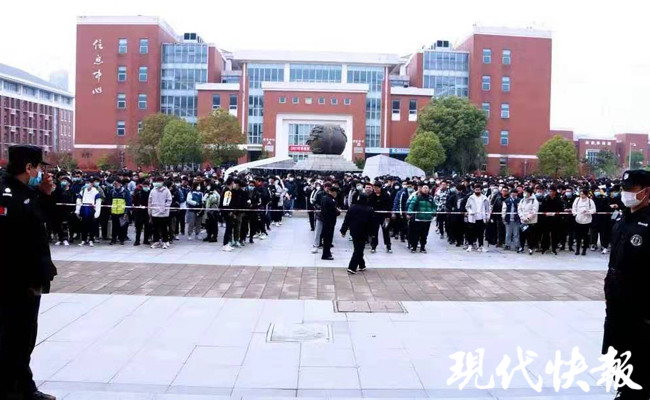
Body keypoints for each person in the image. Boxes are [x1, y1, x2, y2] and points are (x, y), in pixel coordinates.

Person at [0, 145, 58, 400]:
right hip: (16, 280)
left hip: (25, 278)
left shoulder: (25, 192)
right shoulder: (10, 195)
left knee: (22, 337)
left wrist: (45, 194)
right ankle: (17, 389)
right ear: (28, 168)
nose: (41, 173)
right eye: (39, 168)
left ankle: (21, 387)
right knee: (16, 336)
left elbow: (51, 219)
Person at [603, 169, 650, 400]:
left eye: (631, 189)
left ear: (646, 191)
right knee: (615, 351)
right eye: (624, 189)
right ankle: (623, 388)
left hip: (640, 304)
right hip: (616, 300)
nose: (626, 194)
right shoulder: (622, 219)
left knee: (639, 356)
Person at [340, 193, 374, 274]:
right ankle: (352, 267)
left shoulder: (352, 207)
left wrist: (343, 230)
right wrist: (372, 234)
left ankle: (362, 265)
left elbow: (347, 219)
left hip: (354, 231)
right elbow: (371, 223)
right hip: (364, 232)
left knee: (358, 248)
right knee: (358, 250)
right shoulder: (369, 209)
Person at [407, 182, 436, 253]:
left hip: (427, 220)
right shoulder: (417, 197)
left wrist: (433, 213)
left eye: (427, 188)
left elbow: (434, 206)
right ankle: (414, 247)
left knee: (424, 234)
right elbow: (411, 205)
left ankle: (423, 247)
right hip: (418, 219)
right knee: (416, 234)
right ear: (421, 189)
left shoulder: (431, 198)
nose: (425, 189)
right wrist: (409, 213)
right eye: (424, 188)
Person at [75, 177, 102, 247]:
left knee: (92, 226)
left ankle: (91, 240)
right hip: (84, 209)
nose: (87, 184)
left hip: (91, 209)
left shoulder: (96, 192)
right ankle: (83, 240)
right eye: (86, 183)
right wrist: (77, 210)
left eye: (88, 183)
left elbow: (98, 203)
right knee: (83, 226)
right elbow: (78, 200)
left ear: (92, 184)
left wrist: (97, 213)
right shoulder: (83, 191)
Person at [148, 176, 172, 249]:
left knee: (164, 228)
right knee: (155, 228)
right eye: (157, 181)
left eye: (159, 181)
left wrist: (164, 207)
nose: (158, 183)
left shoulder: (166, 191)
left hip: (164, 213)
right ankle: (156, 241)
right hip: (154, 212)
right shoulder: (153, 191)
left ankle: (165, 241)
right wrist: (150, 211)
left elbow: (169, 200)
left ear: (162, 182)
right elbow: (150, 201)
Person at [369, 181, 392, 253]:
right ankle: (373, 246)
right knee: (374, 232)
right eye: (374, 188)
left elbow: (389, 206)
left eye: (376, 188)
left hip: (384, 217)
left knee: (386, 231)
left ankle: (388, 246)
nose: (375, 189)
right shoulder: (372, 195)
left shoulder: (386, 195)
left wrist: (388, 216)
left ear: (380, 188)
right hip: (375, 217)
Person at [465, 184, 490, 252]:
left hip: (481, 218)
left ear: (481, 190)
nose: (477, 191)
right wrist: (470, 211)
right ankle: (470, 245)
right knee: (471, 232)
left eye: (478, 190)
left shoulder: (484, 198)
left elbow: (487, 208)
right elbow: (467, 206)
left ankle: (481, 246)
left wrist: (487, 216)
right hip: (472, 218)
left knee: (481, 233)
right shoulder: (471, 198)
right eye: (476, 190)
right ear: (474, 190)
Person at [540, 185, 564, 255]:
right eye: (550, 191)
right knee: (545, 234)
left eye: (552, 191)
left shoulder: (559, 199)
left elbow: (561, 210)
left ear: (555, 192)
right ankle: (545, 248)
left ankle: (554, 248)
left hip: (555, 220)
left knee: (555, 235)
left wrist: (555, 214)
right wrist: (545, 214)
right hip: (546, 219)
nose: (551, 192)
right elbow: (542, 209)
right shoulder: (546, 198)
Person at [572, 188, 596, 256]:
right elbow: (574, 208)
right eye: (580, 194)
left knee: (586, 237)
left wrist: (588, 212)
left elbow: (594, 210)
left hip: (587, 221)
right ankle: (577, 250)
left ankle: (584, 250)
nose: (581, 195)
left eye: (583, 194)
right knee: (578, 236)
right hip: (578, 220)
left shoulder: (590, 201)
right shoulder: (577, 199)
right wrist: (575, 214)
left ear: (586, 194)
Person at [319, 183, 340, 260]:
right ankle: (325, 254)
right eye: (335, 193)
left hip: (328, 221)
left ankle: (328, 252)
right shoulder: (330, 200)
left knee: (328, 238)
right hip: (329, 221)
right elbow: (330, 211)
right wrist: (338, 212)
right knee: (327, 238)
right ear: (333, 192)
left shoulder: (326, 198)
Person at [109, 178, 132, 245]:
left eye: (116, 183)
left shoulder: (125, 191)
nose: (115, 185)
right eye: (114, 183)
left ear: (119, 183)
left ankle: (122, 239)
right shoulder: (112, 191)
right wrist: (110, 211)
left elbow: (128, 202)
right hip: (114, 212)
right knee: (114, 227)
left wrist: (126, 212)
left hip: (122, 212)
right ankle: (113, 239)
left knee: (122, 226)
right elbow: (109, 201)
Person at [518, 187, 539, 255]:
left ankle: (530, 248)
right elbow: (519, 209)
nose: (524, 193)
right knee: (522, 235)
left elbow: (534, 211)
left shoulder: (534, 201)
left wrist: (527, 218)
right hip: (523, 221)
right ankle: (521, 247)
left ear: (529, 193)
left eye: (526, 192)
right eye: (524, 192)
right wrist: (522, 217)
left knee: (530, 236)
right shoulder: (522, 200)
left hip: (531, 222)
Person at [132, 180, 152, 246]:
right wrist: (138, 205)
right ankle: (137, 240)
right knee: (138, 227)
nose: (146, 187)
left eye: (147, 186)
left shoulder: (150, 193)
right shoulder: (139, 193)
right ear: (142, 185)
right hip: (139, 212)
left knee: (147, 227)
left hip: (147, 212)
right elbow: (134, 201)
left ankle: (146, 240)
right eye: (144, 186)